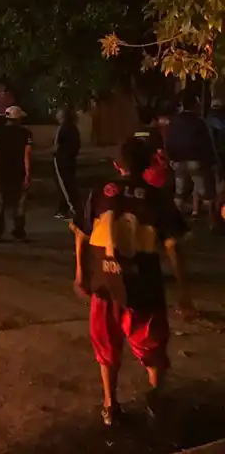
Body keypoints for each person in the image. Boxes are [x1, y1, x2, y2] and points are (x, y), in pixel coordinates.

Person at [71, 136, 194, 426]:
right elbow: (173, 246)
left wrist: (80, 274)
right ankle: (155, 397)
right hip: (144, 285)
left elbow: (80, 233)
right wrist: (184, 292)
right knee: (152, 348)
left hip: (104, 284)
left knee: (106, 346)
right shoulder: (158, 198)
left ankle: (110, 405)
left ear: (116, 165)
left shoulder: (100, 193)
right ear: (149, 165)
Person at [166, 94, 217, 223]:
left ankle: (175, 219)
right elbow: (206, 142)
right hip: (196, 160)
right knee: (204, 190)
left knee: (179, 192)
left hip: (178, 160)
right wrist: (211, 160)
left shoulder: (175, 122)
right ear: (195, 105)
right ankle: (213, 219)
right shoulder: (199, 122)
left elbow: (169, 141)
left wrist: (171, 157)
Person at [0, 106, 33, 242]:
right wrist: (28, 174)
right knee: (19, 203)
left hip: (0, 170)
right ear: (18, 118)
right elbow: (27, 154)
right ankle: (18, 230)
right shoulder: (25, 133)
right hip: (18, 171)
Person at [53, 107, 82, 219]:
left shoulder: (63, 128)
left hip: (62, 159)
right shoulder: (73, 128)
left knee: (64, 184)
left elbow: (56, 145)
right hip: (70, 159)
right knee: (69, 183)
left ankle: (71, 209)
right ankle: (65, 208)